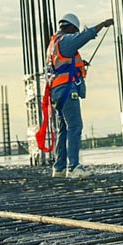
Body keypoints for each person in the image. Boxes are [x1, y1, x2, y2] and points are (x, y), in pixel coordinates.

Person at [45, 13, 113, 178]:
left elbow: (62, 65)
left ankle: (59, 168)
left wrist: (79, 66)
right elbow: (85, 36)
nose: (74, 34)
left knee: (63, 129)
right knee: (75, 127)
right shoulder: (66, 40)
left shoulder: (53, 44)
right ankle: (73, 167)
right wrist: (103, 23)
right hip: (67, 91)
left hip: (57, 93)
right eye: (74, 31)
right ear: (70, 28)